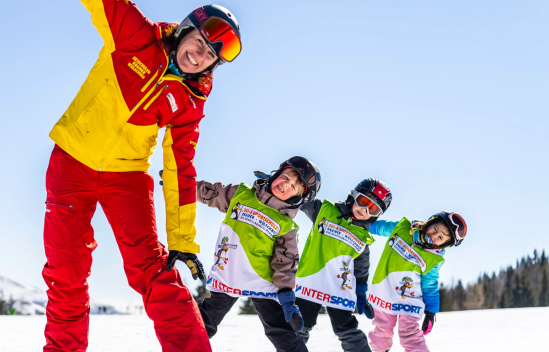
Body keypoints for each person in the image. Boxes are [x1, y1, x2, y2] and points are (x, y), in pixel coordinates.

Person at [42, 1, 243, 351]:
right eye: (198, 43)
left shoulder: (191, 99)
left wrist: (182, 239)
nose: (199, 56)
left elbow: (181, 166)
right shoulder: (136, 35)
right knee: (66, 274)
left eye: (211, 55)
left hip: (128, 176)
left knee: (155, 272)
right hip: (72, 162)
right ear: (184, 29)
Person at [196, 157, 320, 352]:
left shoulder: (286, 225)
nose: (286, 185)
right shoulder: (242, 194)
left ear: (297, 198)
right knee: (203, 324)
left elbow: (285, 262)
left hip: (263, 283)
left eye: (294, 187)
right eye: (286, 177)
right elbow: (210, 192)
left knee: (280, 331)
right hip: (229, 276)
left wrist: (287, 296)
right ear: (277, 174)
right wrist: (181, 186)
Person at [293, 178, 392, 352]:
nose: (364, 210)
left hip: (339, 287)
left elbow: (361, 266)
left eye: (373, 208)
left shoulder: (363, 236)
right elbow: (301, 199)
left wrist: (361, 291)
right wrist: (276, 190)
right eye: (363, 202)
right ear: (353, 196)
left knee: (346, 329)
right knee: (299, 327)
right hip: (310, 283)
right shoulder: (324, 210)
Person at [366, 211, 468, 352]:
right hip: (386, 292)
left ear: (444, 244)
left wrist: (431, 312)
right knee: (382, 331)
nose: (434, 236)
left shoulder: (432, 259)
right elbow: (378, 227)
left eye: (440, 237)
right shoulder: (403, 227)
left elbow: (430, 285)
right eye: (435, 229)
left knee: (410, 334)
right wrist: (361, 222)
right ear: (430, 222)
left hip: (410, 299)